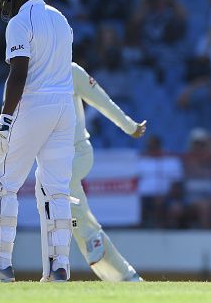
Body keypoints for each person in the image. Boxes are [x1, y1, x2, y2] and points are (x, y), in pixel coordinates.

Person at [0, 0, 76, 282]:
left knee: (2, 182)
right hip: (64, 107)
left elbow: (18, 75)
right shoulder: (61, 18)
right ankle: (59, 269)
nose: (4, 6)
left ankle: (0, 266)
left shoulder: (19, 23)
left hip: (34, 105)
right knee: (56, 190)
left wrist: (5, 121)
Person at [70, 62, 147, 281]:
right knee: (76, 221)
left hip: (77, 153)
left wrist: (129, 126)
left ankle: (91, 238)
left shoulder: (71, 71)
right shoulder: (29, 75)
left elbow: (102, 101)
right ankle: (127, 277)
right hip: (51, 161)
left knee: (56, 192)